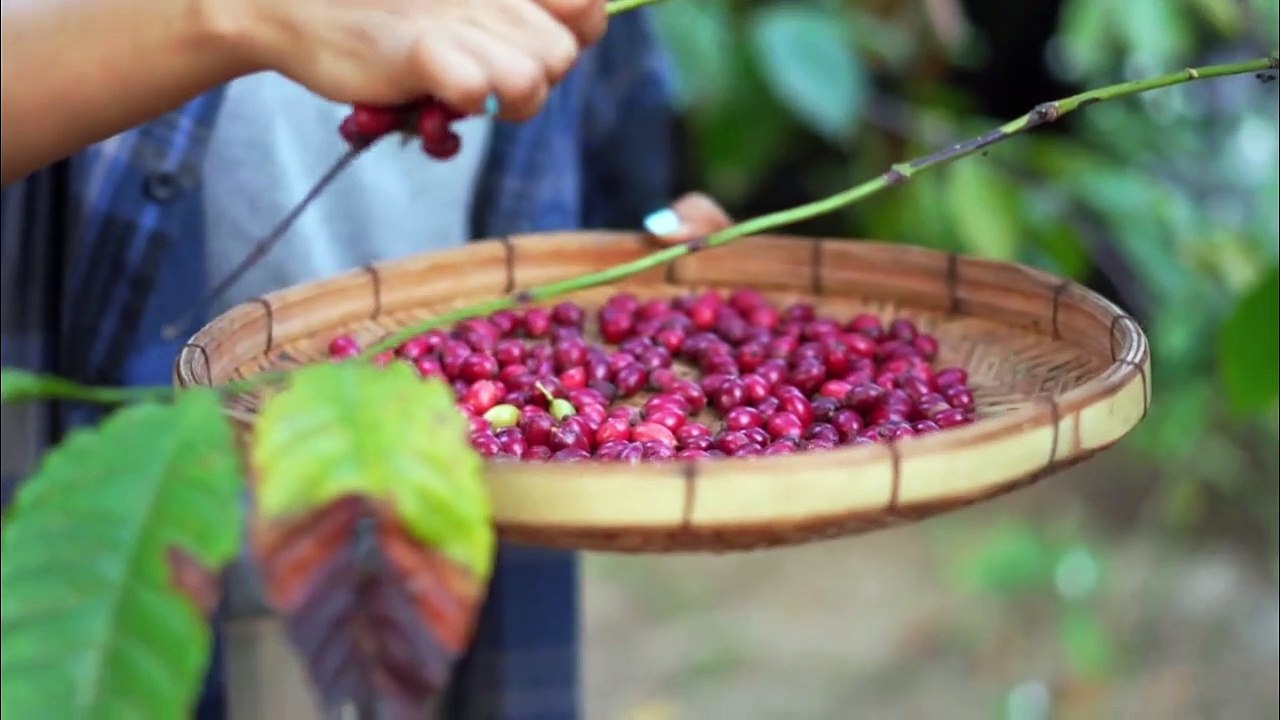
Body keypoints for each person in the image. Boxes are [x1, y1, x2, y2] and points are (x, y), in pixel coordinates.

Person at [0, 0, 731, 718]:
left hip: (442, 515)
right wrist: (239, 16)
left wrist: (643, 249)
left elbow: (605, 133)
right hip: (131, 525)